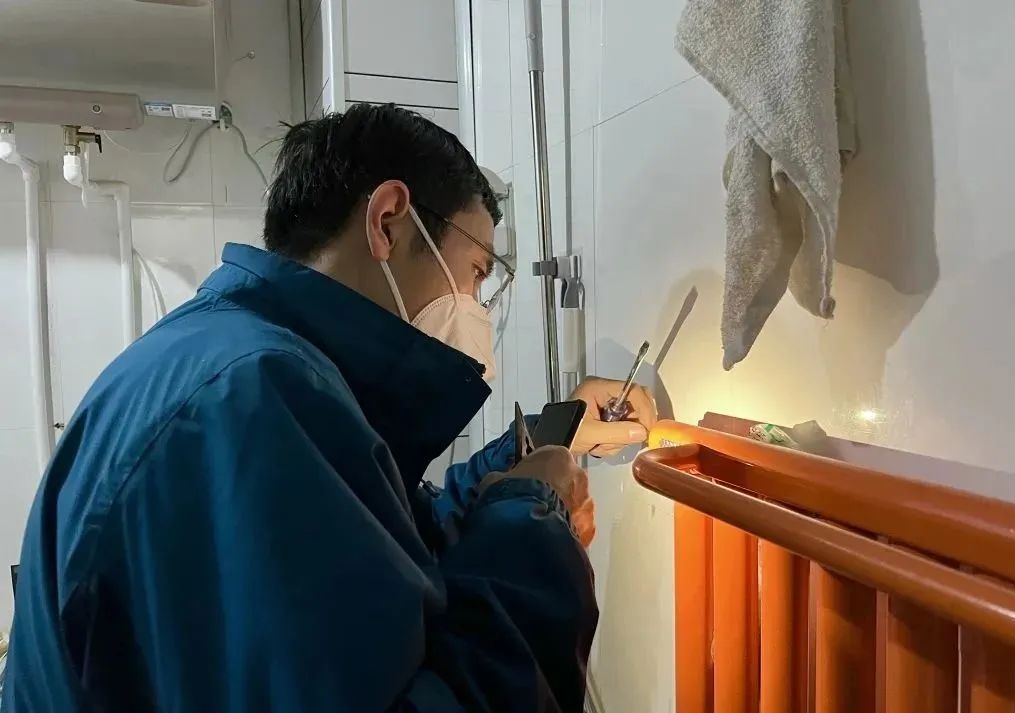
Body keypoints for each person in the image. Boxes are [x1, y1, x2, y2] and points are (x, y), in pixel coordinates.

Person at [2, 103, 656, 712]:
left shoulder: (237, 357)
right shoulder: (254, 398)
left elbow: (381, 550)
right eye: (478, 271)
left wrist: (532, 453)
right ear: (388, 220)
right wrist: (533, 523)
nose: (477, 306)